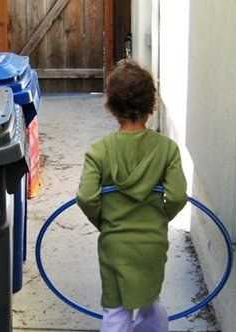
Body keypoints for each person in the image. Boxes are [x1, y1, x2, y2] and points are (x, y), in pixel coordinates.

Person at [76, 59, 188, 332]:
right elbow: (177, 196)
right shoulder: (167, 149)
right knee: (150, 301)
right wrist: (160, 218)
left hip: (115, 246)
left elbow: (86, 197)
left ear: (112, 106)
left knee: (116, 311)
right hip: (152, 245)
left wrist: (104, 222)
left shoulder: (99, 151)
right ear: (151, 104)